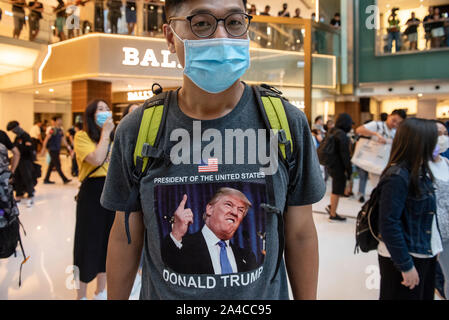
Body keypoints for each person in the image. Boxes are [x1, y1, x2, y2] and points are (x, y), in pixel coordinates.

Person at [102, 0, 325, 300]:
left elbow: (300, 234)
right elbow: (124, 236)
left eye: (233, 23)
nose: (222, 37)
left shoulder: (286, 123)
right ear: (170, 37)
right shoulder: (137, 130)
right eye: (202, 24)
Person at [377, 118, 442, 300]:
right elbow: (389, 224)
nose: (439, 142)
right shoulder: (398, 176)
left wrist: (433, 250)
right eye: (435, 138)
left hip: (422, 252)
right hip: (405, 258)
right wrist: (405, 265)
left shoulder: (421, 171)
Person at [73, 100, 116, 300]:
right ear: (90, 114)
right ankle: (81, 294)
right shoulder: (82, 136)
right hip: (91, 193)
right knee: (87, 242)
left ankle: (101, 291)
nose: (105, 112)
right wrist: (106, 133)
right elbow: (97, 159)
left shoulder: (115, 138)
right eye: (100, 109)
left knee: (108, 242)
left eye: (107, 109)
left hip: (111, 192)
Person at [161, 188, 257, 274]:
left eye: (240, 210)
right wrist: (177, 233)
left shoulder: (247, 257)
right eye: (228, 205)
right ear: (210, 209)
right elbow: (163, 270)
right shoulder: (182, 246)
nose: (235, 212)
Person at [354, 109, 407, 197]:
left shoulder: (395, 132)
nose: (394, 124)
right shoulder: (377, 125)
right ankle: (363, 195)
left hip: (386, 161)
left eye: (398, 123)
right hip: (373, 159)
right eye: (393, 120)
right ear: (389, 116)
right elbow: (359, 130)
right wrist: (375, 134)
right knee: (378, 185)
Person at [429, 121, 449, 299]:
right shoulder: (418, 166)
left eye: (445, 133)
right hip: (429, 233)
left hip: (447, 231)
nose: (442, 138)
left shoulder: (447, 163)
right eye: (438, 133)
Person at [324, 113, 353, 222]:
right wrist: (349, 170)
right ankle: (333, 214)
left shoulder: (332, 131)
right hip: (339, 166)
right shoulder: (342, 135)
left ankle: (332, 207)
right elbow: (345, 155)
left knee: (336, 188)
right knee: (337, 189)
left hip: (331, 164)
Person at [7, 121, 37, 208]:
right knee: (17, 177)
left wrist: (21, 147)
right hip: (18, 161)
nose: (14, 131)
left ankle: (30, 195)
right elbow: (15, 147)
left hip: (26, 160)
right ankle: (19, 194)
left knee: (27, 177)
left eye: (14, 129)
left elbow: (30, 148)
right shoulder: (17, 137)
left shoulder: (26, 136)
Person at [40, 116, 73, 184]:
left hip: (57, 149)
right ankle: (64, 179)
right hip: (52, 149)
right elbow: (46, 139)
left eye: (60, 120)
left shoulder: (60, 130)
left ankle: (46, 179)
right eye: (59, 120)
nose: (60, 121)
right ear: (55, 121)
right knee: (57, 165)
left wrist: (69, 147)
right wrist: (43, 148)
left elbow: (63, 139)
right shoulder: (53, 130)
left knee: (51, 165)